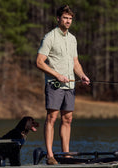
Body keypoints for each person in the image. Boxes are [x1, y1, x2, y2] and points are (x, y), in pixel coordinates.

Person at [36, 5, 90, 165]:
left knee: (67, 119)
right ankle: (50, 156)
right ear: (58, 19)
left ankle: (66, 155)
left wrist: (82, 75)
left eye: (70, 19)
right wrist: (57, 75)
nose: (68, 21)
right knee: (52, 118)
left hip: (70, 86)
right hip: (54, 85)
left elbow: (75, 62)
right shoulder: (50, 37)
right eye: (65, 18)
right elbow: (39, 62)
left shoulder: (72, 39)